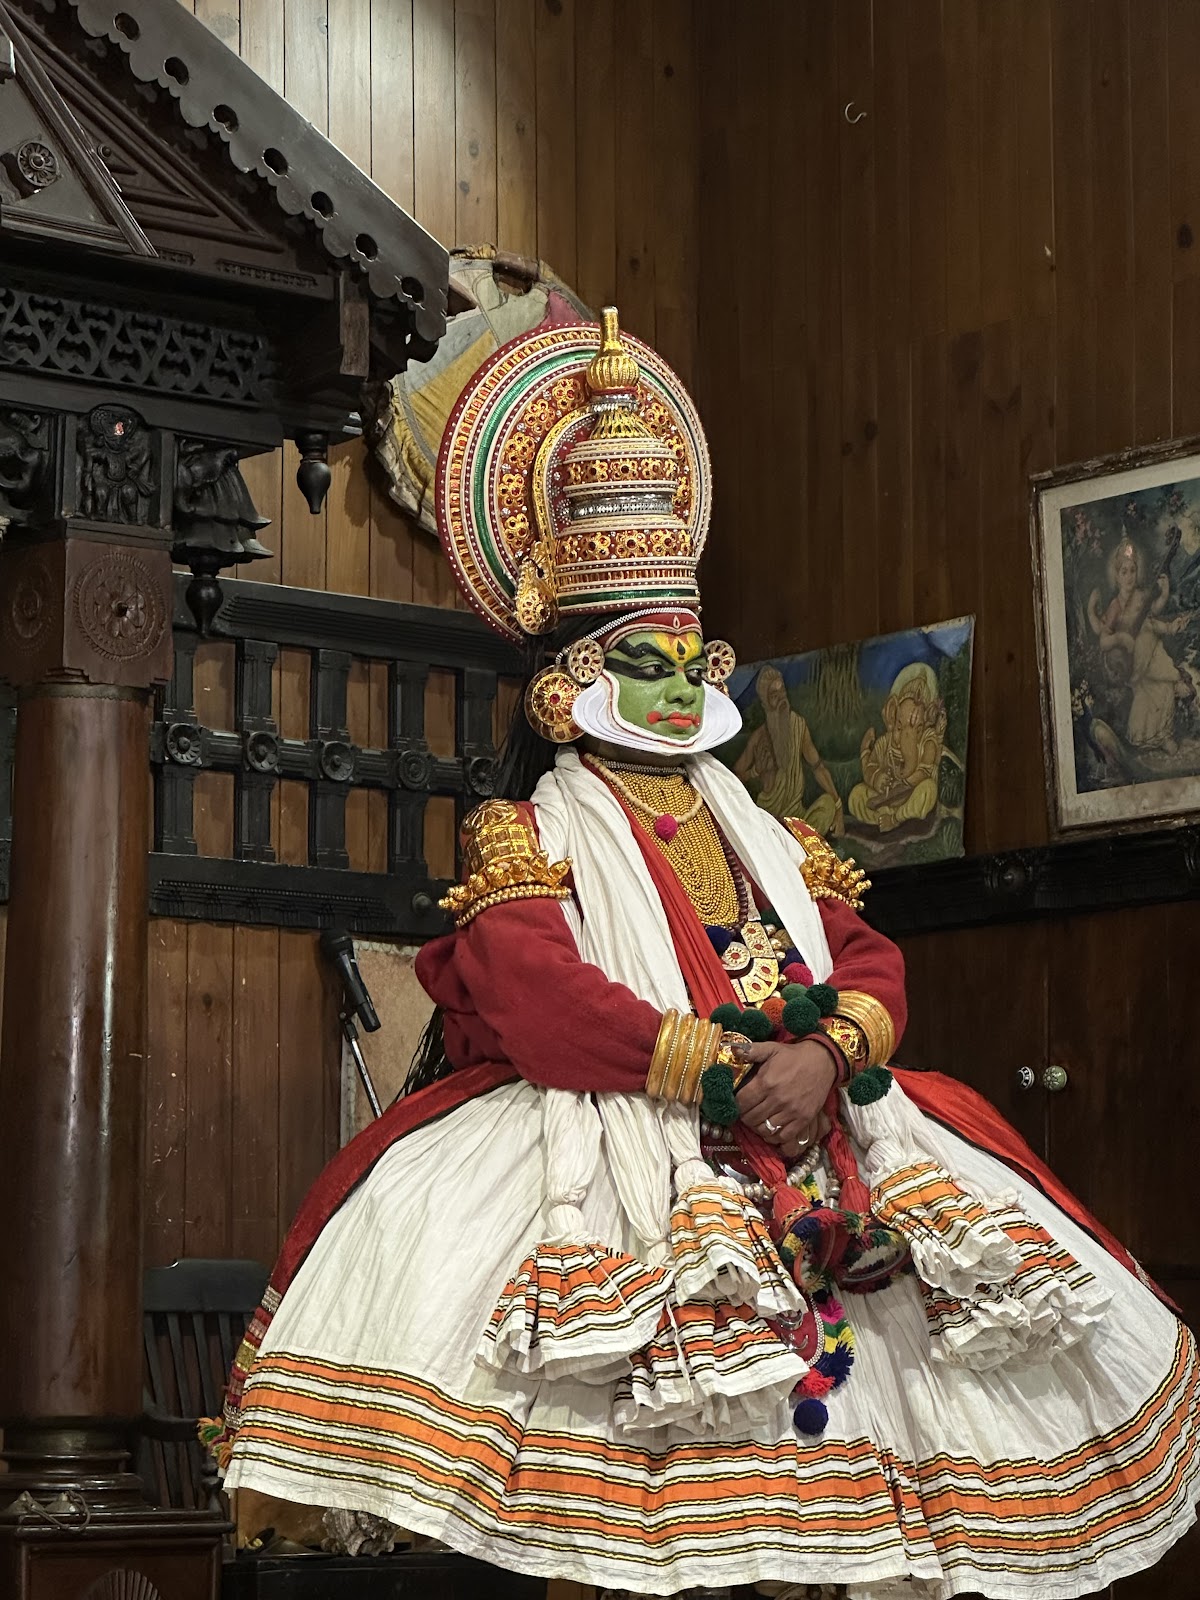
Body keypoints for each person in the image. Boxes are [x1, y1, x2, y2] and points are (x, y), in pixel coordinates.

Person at [214, 311, 1199, 1599]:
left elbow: (867, 959)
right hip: (618, 1152)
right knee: (618, 1524)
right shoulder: (529, 832)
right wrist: (731, 1078)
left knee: (841, 1516)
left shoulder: (772, 837)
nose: (679, 690)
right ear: (570, 685)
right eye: (645, 662)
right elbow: (536, 995)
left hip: (817, 1153)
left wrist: (831, 1048)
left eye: (692, 662)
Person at [1089, 537, 1193, 756]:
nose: (1129, 576)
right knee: (1145, 699)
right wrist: (1120, 639)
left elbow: (1153, 615)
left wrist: (1164, 594)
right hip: (1135, 663)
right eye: (1124, 571)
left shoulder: (1142, 596)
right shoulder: (1115, 606)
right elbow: (1104, 640)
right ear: (1116, 576)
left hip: (1154, 650)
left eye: (1133, 570)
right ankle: (1144, 738)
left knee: (1164, 690)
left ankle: (1164, 735)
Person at [736, 665, 845, 836]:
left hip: (798, 817)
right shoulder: (759, 738)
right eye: (774, 696)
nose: (781, 699)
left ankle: (800, 844)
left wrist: (838, 807)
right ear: (765, 702)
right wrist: (755, 772)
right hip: (769, 821)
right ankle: (797, 846)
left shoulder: (799, 726)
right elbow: (734, 778)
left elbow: (818, 767)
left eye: (782, 692)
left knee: (828, 804)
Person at [847, 663, 945, 833]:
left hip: (909, 797)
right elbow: (870, 766)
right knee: (856, 795)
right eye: (901, 726)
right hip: (882, 799)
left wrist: (905, 782)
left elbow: (924, 772)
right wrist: (877, 778)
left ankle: (896, 818)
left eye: (916, 728)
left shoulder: (927, 742)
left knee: (928, 789)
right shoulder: (885, 742)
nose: (906, 735)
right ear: (893, 716)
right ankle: (885, 817)